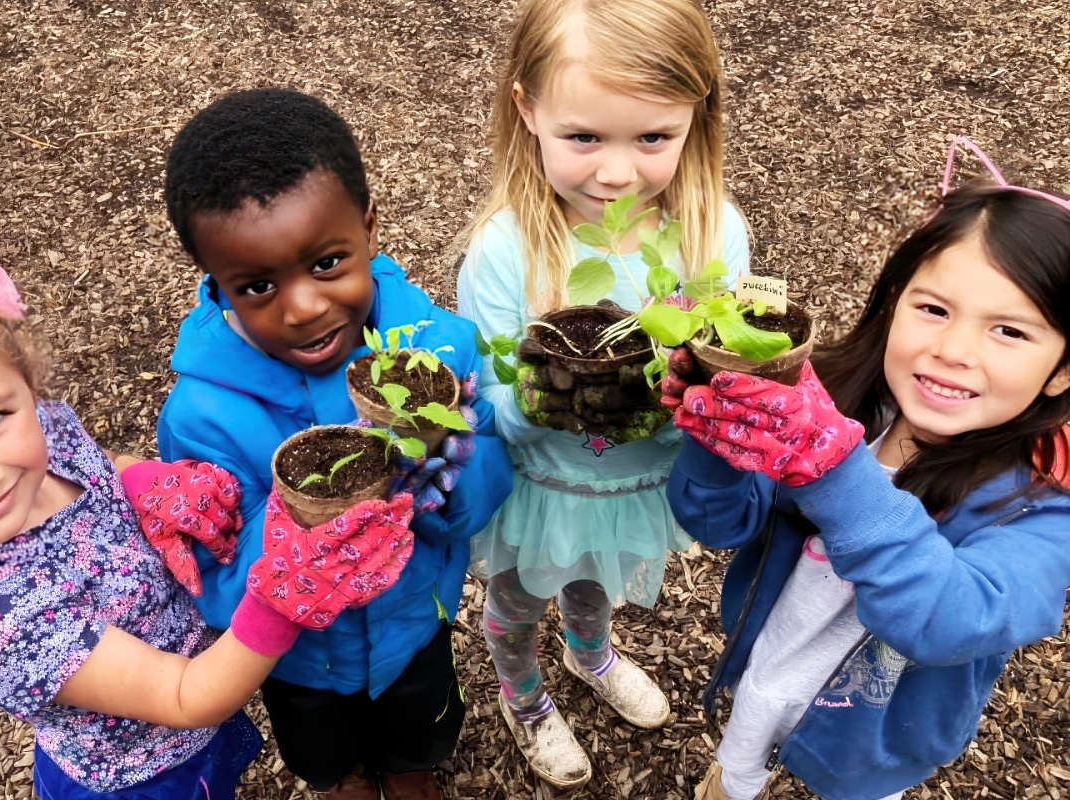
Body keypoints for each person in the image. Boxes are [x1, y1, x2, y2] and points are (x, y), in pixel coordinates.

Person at [0, 221, 414, 799]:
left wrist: (143, 480)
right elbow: (185, 696)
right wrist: (285, 593)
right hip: (142, 771)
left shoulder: (37, 428)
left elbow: (95, 460)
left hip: (200, 703)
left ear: (25, 383)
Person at [666, 137, 1070, 800]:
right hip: (766, 665)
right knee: (741, 760)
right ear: (891, 305)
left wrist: (831, 466)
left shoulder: (1042, 511)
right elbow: (718, 523)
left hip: (873, 741)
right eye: (933, 309)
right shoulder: (833, 398)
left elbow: (945, 618)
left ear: (1062, 371)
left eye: (1010, 331)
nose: (953, 349)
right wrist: (715, 438)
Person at [157, 88, 512, 800]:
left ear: (370, 229)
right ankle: (343, 780)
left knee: (422, 730)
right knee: (322, 754)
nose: (304, 306)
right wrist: (298, 532)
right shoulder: (202, 413)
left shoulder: (440, 349)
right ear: (218, 289)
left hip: (416, 623)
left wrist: (436, 471)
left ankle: (412, 772)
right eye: (257, 285)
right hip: (298, 661)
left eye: (326, 263)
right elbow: (214, 565)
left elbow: (492, 468)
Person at [454, 0, 751, 788]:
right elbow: (484, 394)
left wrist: (693, 400)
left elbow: (730, 364)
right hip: (540, 486)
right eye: (583, 136)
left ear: (699, 114)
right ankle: (524, 697)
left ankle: (591, 655)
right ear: (527, 109)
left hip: (634, 481)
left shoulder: (713, 235)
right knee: (517, 604)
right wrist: (553, 401)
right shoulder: (506, 248)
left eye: (653, 136)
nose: (616, 171)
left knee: (593, 581)